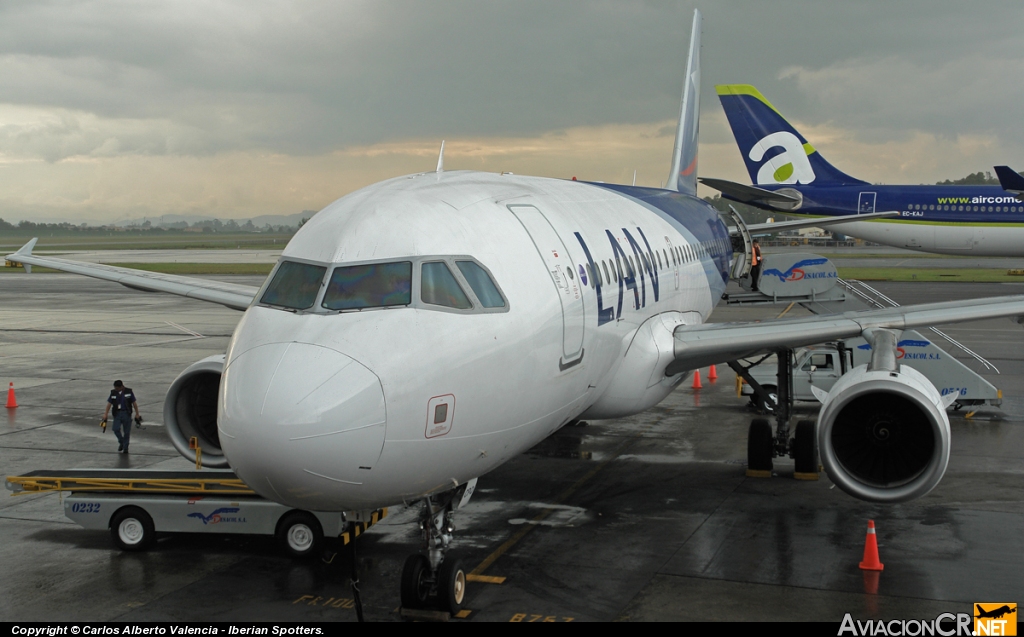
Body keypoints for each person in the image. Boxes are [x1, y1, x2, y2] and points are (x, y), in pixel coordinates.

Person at [103, 380, 140, 454]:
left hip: (126, 413)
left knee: (126, 432)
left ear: (121, 387)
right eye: (115, 388)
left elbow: (134, 403)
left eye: (117, 388)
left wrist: (137, 414)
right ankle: (122, 442)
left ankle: (125, 447)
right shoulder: (113, 393)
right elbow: (109, 403)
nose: (116, 389)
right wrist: (105, 413)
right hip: (117, 413)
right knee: (115, 428)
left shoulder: (129, 392)